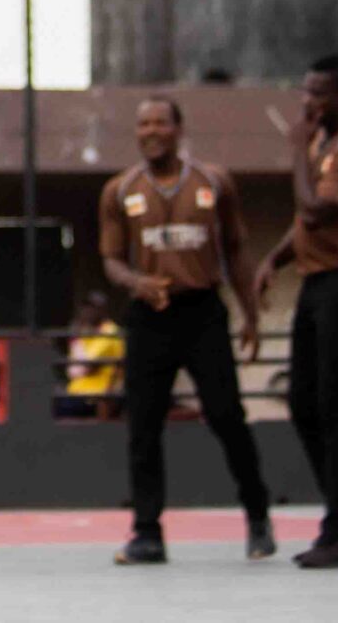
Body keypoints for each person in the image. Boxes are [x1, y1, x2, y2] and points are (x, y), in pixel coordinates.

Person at [99, 96, 273, 566]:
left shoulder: (214, 182)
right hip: (149, 315)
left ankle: (258, 515)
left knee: (226, 415)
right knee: (143, 425)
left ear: (178, 129)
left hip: (202, 312)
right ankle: (147, 533)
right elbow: (111, 260)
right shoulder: (119, 190)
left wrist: (251, 314)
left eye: (160, 122)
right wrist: (136, 282)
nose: (151, 131)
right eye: (143, 124)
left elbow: (235, 249)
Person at [252, 54, 338, 570]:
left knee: (332, 401)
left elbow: (315, 210)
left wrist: (294, 152)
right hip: (319, 280)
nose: (307, 102)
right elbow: (304, 225)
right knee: (302, 401)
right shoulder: (319, 144)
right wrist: (273, 259)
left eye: (318, 93)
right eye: (304, 91)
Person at [61, 291, 125, 419]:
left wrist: (76, 340)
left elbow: (86, 367)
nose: (87, 311)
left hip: (99, 395)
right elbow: (71, 371)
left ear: (103, 310)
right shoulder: (87, 332)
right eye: (85, 307)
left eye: (93, 308)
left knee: (66, 407)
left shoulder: (110, 331)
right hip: (77, 391)